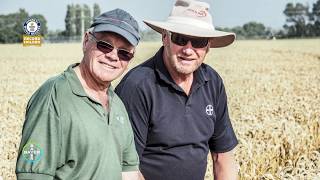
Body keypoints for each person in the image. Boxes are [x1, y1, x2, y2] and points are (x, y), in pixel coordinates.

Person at [115, 0, 238, 179]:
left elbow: (223, 156)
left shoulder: (212, 82)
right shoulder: (138, 86)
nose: (188, 50)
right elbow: (126, 168)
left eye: (198, 41)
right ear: (165, 37)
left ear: (208, 46)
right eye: (180, 39)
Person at [16, 9, 143, 180]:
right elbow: (33, 176)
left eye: (124, 53)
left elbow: (129, 173)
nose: (113, 56)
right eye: (105, 45)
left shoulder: (118, 105)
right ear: (86, 41)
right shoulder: (53, 96)